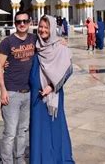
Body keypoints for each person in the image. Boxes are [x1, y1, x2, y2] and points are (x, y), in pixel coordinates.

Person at [30, 15, 74, 163]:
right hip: (36, 96)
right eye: (41, 26)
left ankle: (57, 158)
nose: (42, 30)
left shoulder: (60, 46)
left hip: (53, 94)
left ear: (52, 28)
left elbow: (67, 70)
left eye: (46, 27)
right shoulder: (36, 44)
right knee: (38, 128)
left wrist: (51, 86)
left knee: (55, 126)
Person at [0, 10, 36, 164]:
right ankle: (7, 161)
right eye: (19, 21)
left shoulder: (34, 39)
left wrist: (61, 41)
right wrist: (3, 90)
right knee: (10, 132)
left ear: (30, 22)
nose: (22, 24)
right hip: (12, 92)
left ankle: (19, 159)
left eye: (25, 21)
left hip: (29, 93)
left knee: (23, 130)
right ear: (15, 23)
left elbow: (49, 40)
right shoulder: (7, 42)